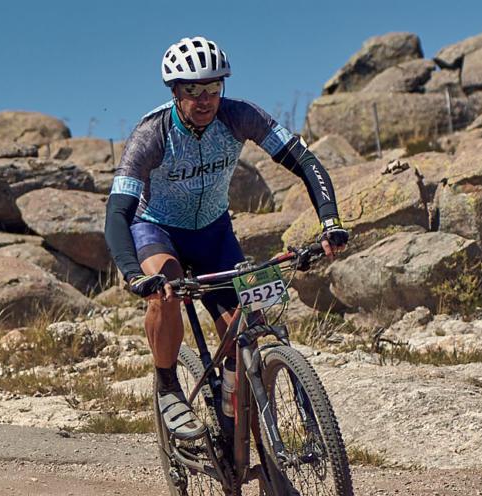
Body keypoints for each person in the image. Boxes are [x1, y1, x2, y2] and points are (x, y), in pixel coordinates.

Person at [104, 36, 349, 440]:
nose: (205, 100)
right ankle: (168, 386)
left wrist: (330, 221)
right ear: (175, 91)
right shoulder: (152, 134)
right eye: (193, 90)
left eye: (213, 88)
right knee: (165, 290)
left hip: (214, 233)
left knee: (245, 332)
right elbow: (117, 212)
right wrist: (134, 274)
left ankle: (245, 435)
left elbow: (304, 160)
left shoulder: (239, 116)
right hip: (158, 229)